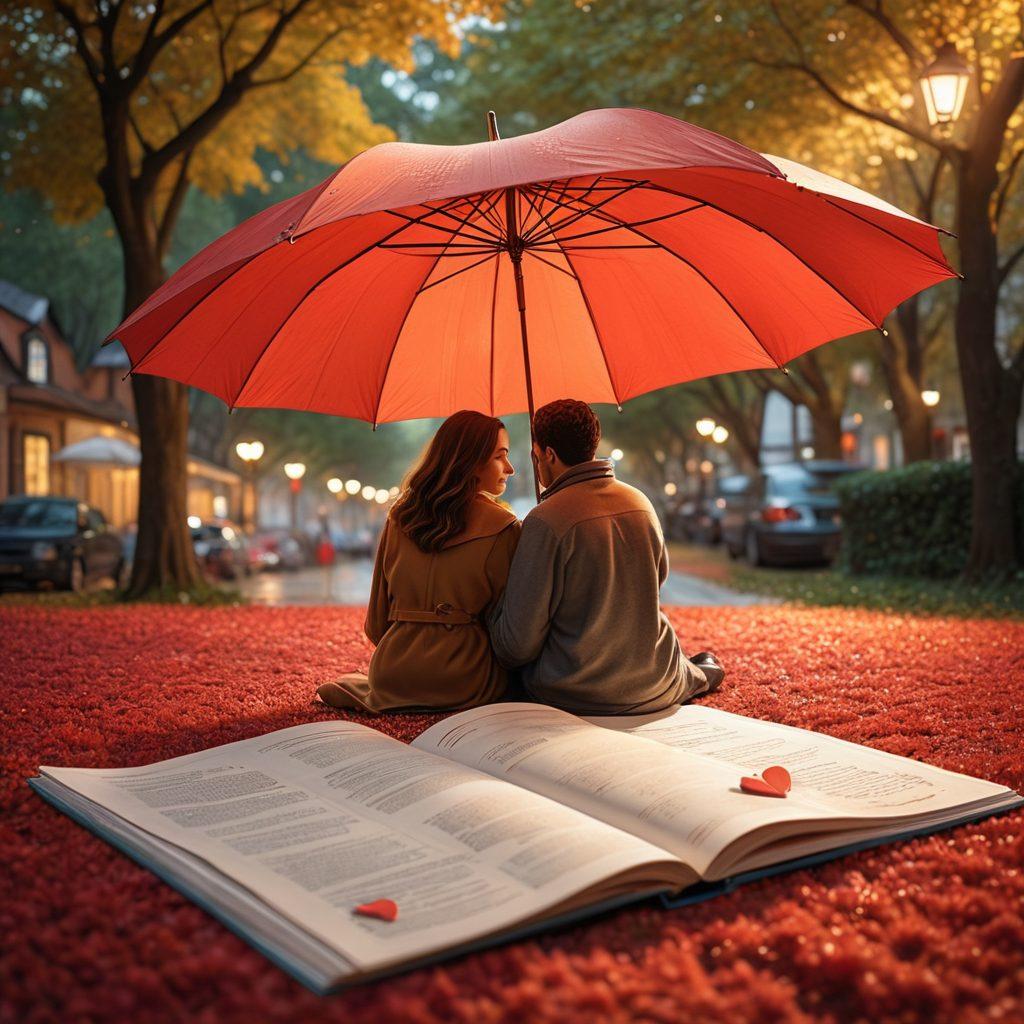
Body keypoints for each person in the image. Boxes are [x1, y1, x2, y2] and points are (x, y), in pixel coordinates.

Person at [489, 399, 724, 715]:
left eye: (535, 454)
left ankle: (698, 671)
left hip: (576, 693)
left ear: (548, 454)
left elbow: (517, 646)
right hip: (656, 680)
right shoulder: (640, 502)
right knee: (689, 668)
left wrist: (491, 610)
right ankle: (701, 672)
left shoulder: (545, 521)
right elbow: (657, 582)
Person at [316, 410, 520, 713]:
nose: (511, 468)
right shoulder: (504, 528)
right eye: (500, 457)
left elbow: (376, 623)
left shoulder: (399, 517)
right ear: (472, 462)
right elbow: (512, 632)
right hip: (467, 680)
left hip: (391, 674)